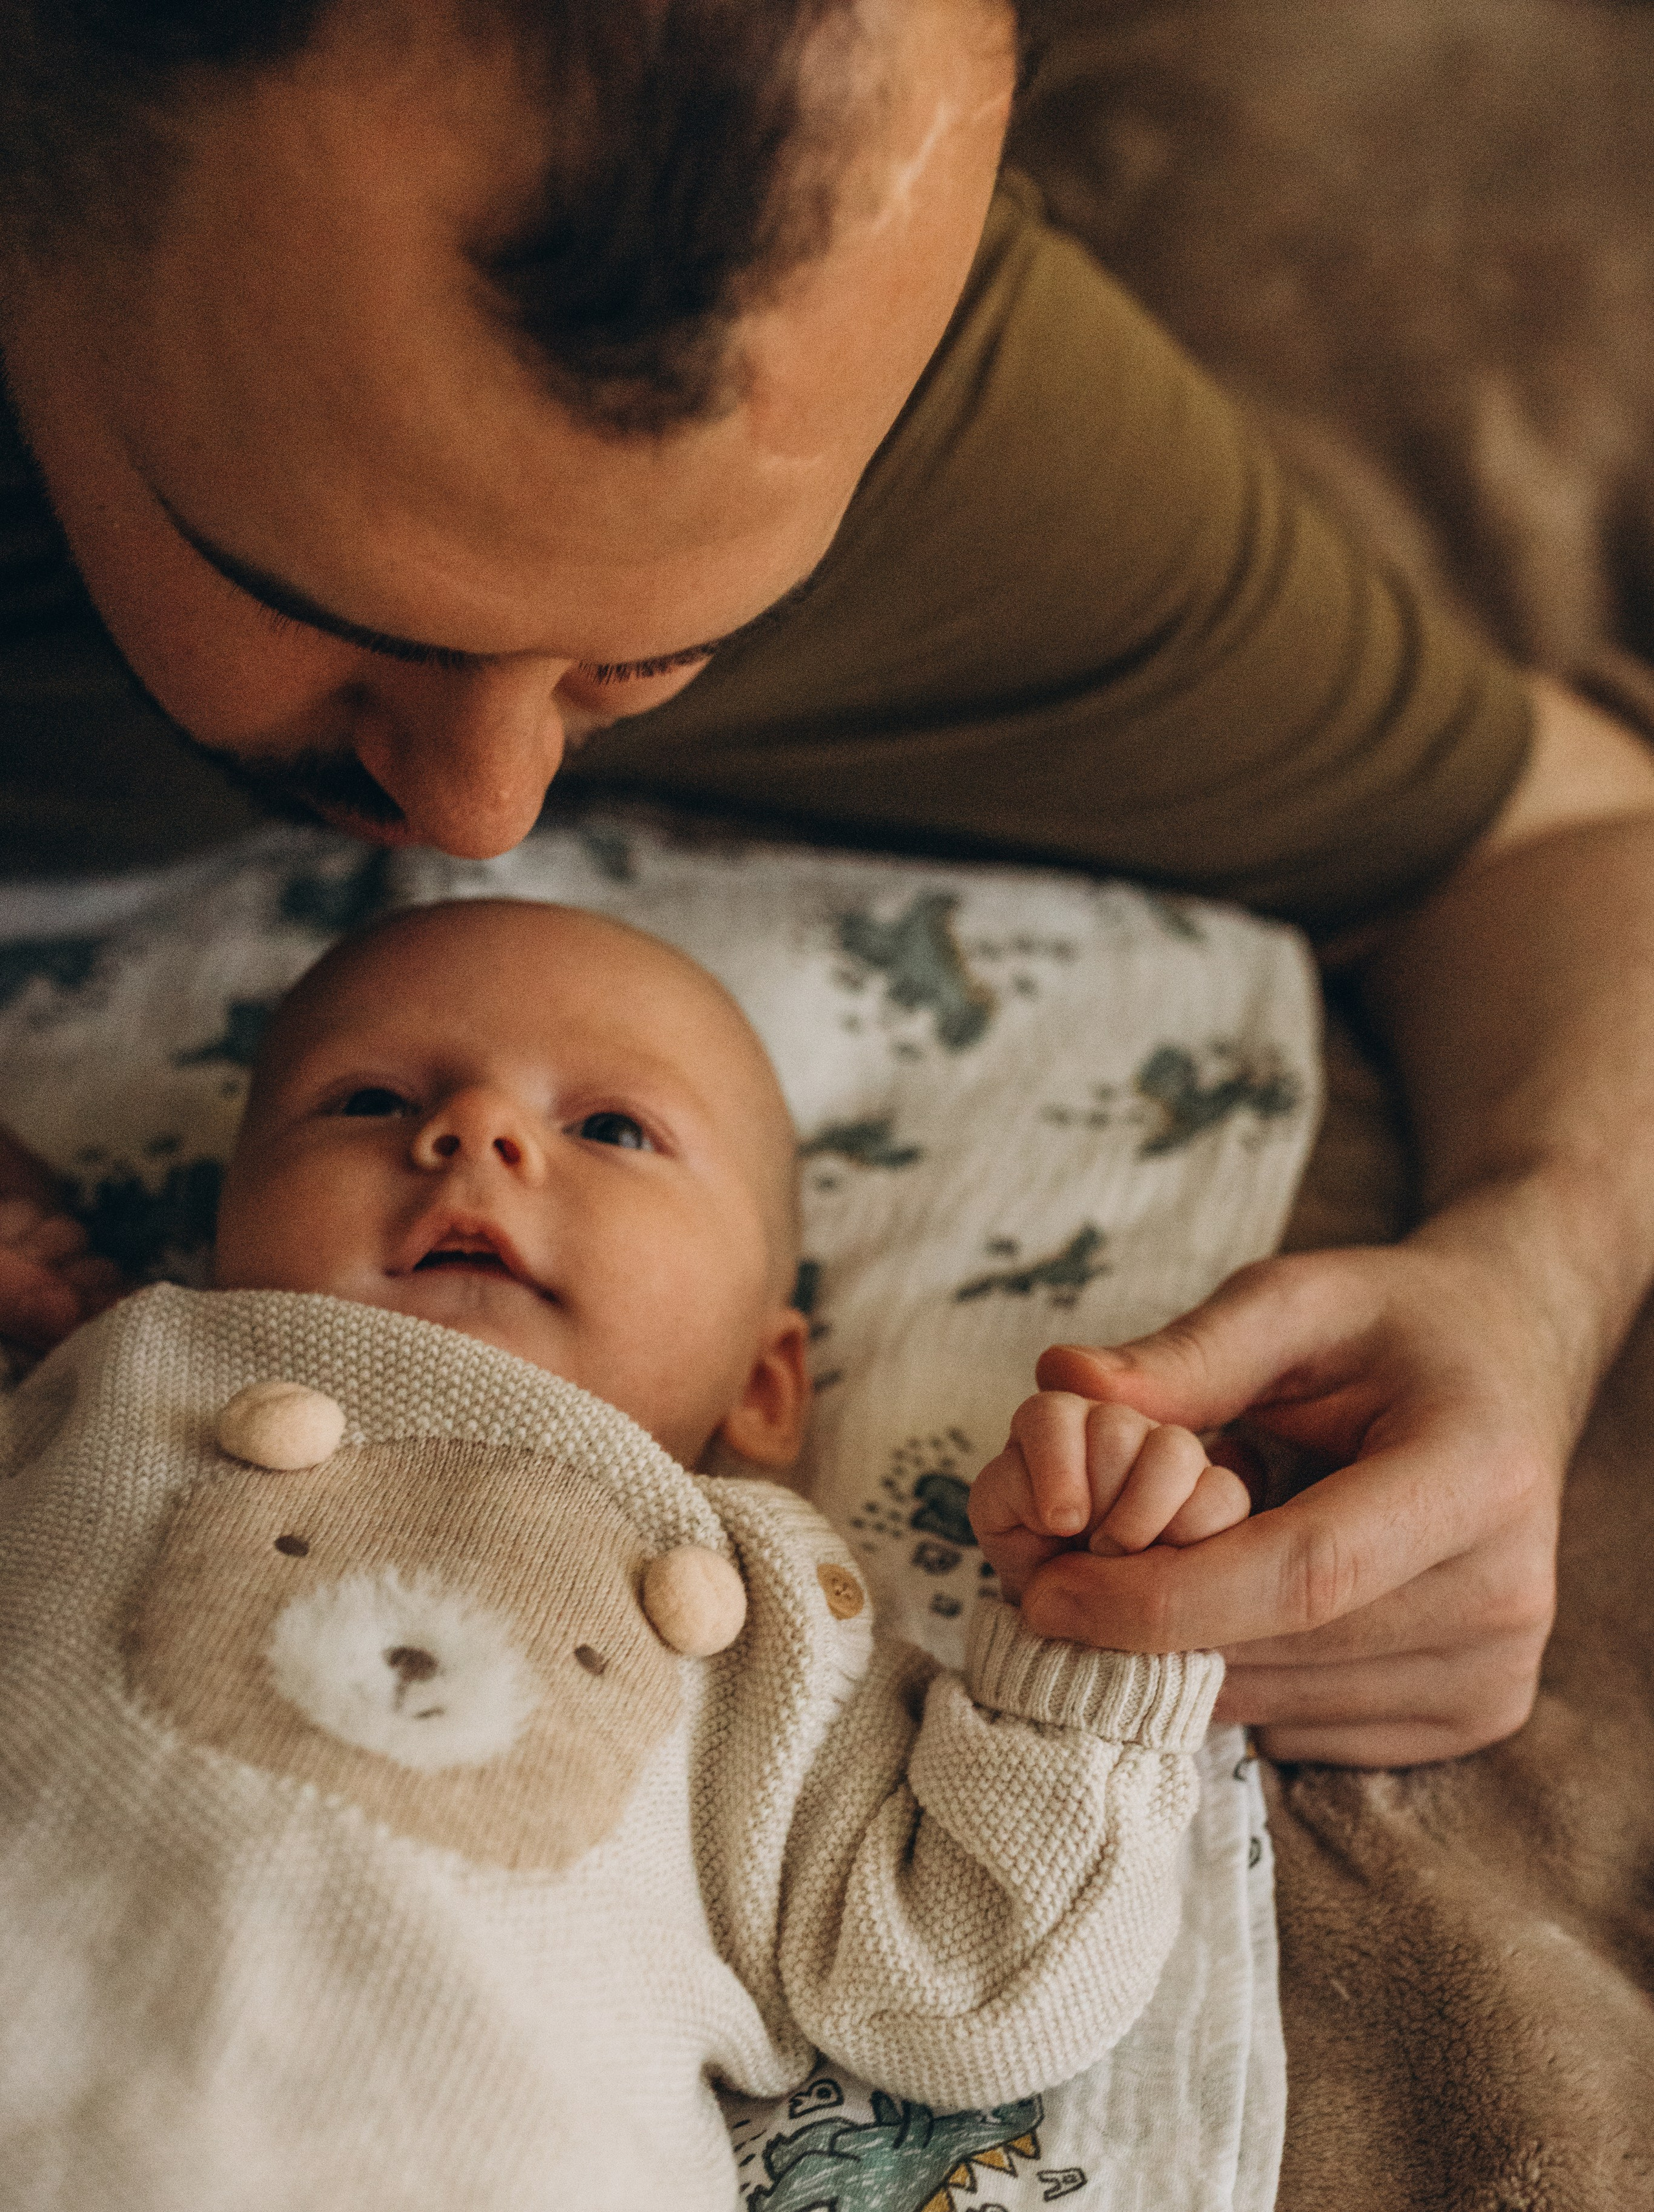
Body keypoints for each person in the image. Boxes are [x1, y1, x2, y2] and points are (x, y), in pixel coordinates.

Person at [2, 0, 1652, 1771]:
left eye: (649, 660)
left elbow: (1566, 834)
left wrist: (1530, 1287)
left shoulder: (911, 389)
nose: (486, 813)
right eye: (329, 615)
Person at [0, 896, 1246, 2212]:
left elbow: (968, 1987)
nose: (472, 1136)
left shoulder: (773, 1624)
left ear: (765, 1380)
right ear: (224, 1226)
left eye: (608, 1125)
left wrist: (1089, 1628)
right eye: (370, 1100)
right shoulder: (110, 1391)